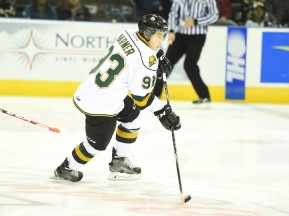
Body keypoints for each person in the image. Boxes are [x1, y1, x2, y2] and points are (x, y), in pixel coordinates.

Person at [53, 14, 181, 182]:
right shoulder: (145, 61)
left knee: (132, 115)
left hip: (97, 90)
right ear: (148, 33)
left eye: (163, 35)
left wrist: (158, 55)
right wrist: (162, 111)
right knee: (96, 145)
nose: (161, 40)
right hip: (100, 104)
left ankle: (119, 161)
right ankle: (66, 168)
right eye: (159, 35)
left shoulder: (127, 33)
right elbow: (141, 99)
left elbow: (141, 47)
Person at [153, 0, 219, 104]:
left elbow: (214, 15)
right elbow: (173, 14)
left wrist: (196, 21)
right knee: (166, 64)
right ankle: (155, 94)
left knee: (190, 65)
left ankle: (204, 95)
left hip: (198, 36)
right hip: (180, 35)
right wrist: (171, 31)